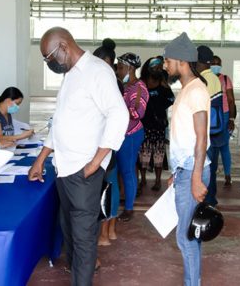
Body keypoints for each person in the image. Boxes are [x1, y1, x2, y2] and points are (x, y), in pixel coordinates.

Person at [28, 27, 128, 286]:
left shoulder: (97, 72)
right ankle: (76, 271)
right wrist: (40, 159)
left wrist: (95, 163)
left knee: (83, 236)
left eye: (49, 57)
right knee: (68, 228)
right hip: (64, 167)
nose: (49, 63)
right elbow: (60, 122)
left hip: (83, 171)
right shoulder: (71, 75)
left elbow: (119, 115)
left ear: (63, 46)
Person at [163, 32, 210, 286]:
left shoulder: (196, 91)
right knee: (190, 234)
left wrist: (194, 178)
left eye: (167, 60)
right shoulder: (187, 89)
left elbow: (201, 139)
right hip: (186, 168)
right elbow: (185, 136)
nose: (165, 65)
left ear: (181, 61)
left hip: (194, 169)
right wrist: (177, 172)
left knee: (185, 238)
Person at [93, 38, 121, 246]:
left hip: (106, 143)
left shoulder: (110, 82)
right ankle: (109, 230)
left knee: (107, 186)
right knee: (109, 184)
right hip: (104, 141)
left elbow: (115, 116)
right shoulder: (110, 80)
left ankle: (105, 232)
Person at [115, 52, 149, 222]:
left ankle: (129, 208)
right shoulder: (125, 86)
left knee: (128, 170)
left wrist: (115, 109)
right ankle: (123, 198)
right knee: (120, 169)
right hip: (121, 133)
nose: (118, 70)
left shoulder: (139, 88)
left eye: (121, 67)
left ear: (130, 68)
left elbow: (138, 113)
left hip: (131, 134)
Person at [138, 56, 174, 194]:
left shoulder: (162, 83)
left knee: (159, 154)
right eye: (155, 67)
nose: (158, 70)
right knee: (143, 154)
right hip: (144, 125)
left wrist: (160, 105)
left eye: (160, 67)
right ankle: (143, 179)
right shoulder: (142, 83)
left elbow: (171, 99)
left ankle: (158, 180)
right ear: (148, 68)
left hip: (159, 125)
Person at [196, 46, 222, 207]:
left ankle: (208, 201)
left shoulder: (203, 80)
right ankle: (211, 198)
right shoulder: (214, 77)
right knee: (211, 166)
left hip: (205, 130)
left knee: (206, 167)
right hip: (213, 129)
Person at [211, 55, 236, 188]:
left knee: (224, 146)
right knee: (211, 147)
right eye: (213, 63)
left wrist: (231, 118)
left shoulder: (225, 79)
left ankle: (227, 174)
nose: (215, 66)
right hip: (211, 115)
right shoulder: (205, 79)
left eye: (218, 63)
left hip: (225, 115)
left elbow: (231, 100)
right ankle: (211, 173)